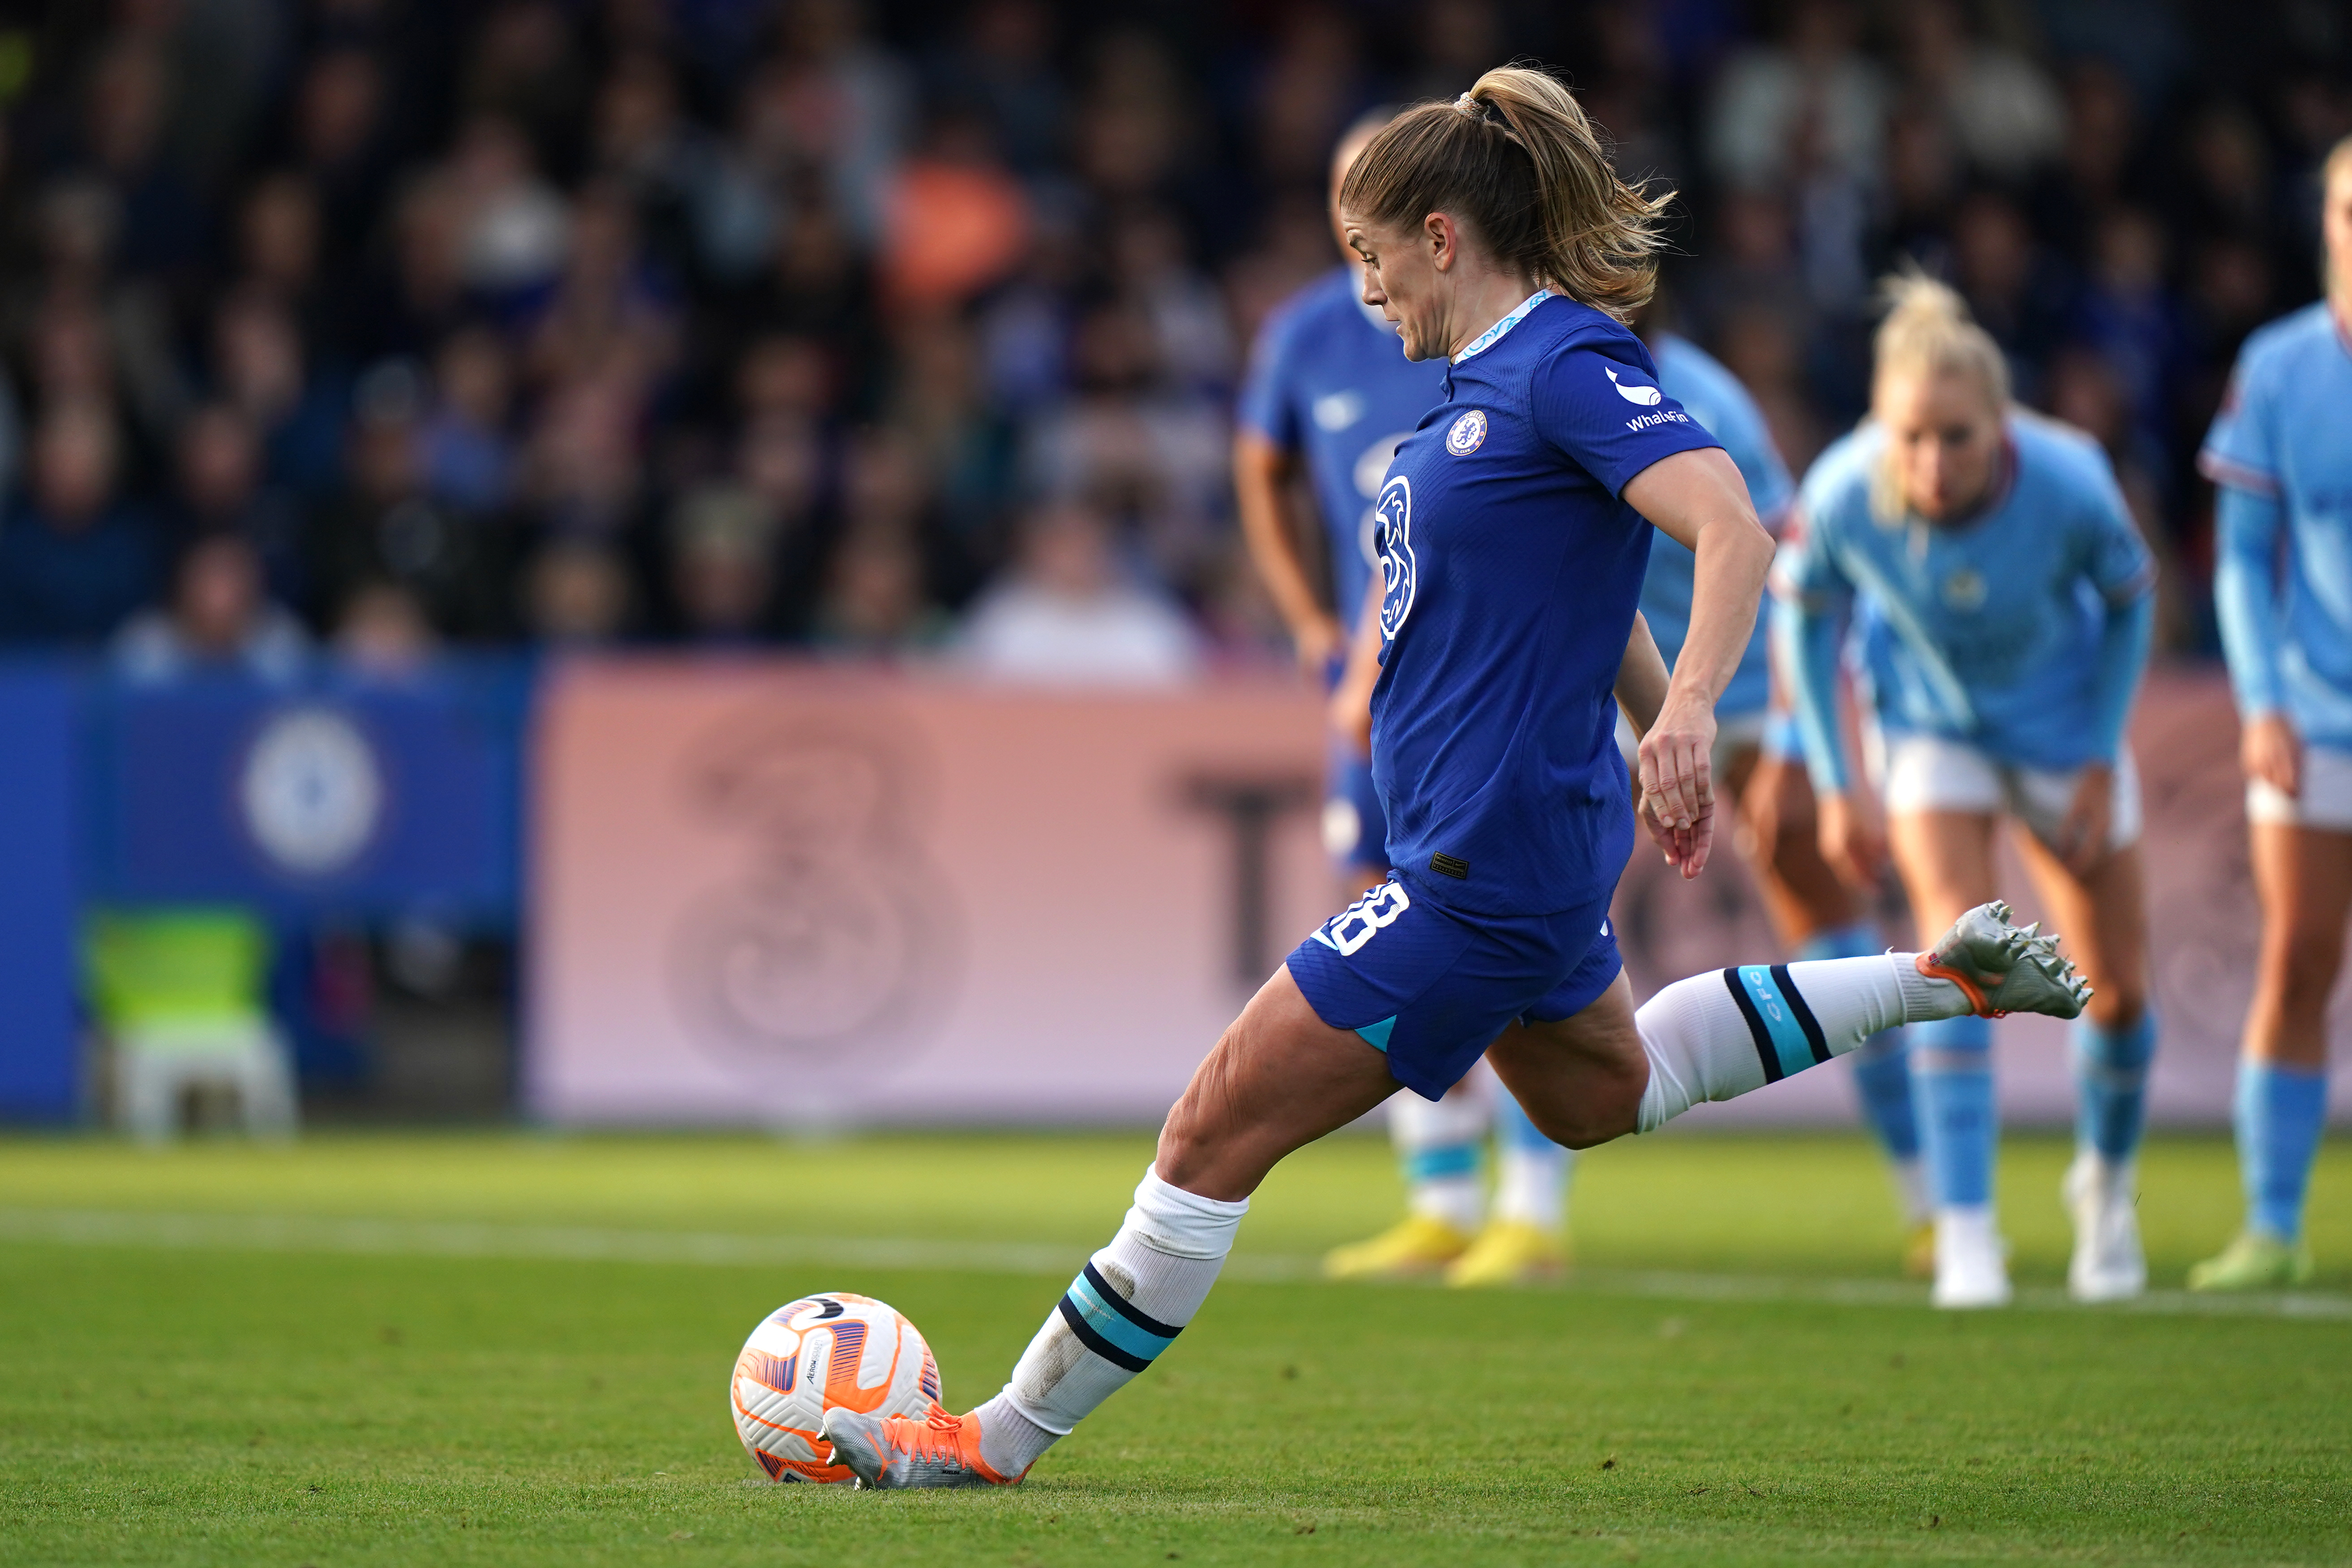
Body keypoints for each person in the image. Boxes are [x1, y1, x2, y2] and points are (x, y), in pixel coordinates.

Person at [819, 68, 2089, 1488]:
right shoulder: (1483, 387)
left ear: (1440, 234)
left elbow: (1729, 525)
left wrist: (1686, 722)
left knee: (1209, 1128)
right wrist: (1649, 708)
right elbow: (1590, 590)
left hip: (1481, 863)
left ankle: (988, 1442)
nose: (1364, 297)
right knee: (1603, 1092)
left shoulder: (1564, 363)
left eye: (1371, 259)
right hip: (1502, 846)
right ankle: (1945, 977)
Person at [1774, 273, 2157, 1308]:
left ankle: (2106, 1193)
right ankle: (1968, 1231)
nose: (1930, 463)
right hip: (1929, 729)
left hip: (2061, 730)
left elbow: (2130, 601)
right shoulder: (1846, 488)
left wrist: (2095, 749)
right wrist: (1837, 775)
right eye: (1911, 437)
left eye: (1956, 437)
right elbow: (1802, 616)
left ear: (2003, 426)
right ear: (1879, 427)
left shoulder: (2073, 480)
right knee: (1959, 959)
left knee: (2115, 987)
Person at [1240, 110, 1573, 1289]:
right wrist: (1315, 627)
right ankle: (1440, 1195)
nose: (1361, 256)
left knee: (1513, 927)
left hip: (1482, 683)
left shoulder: (1483, 328)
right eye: (1345, 227)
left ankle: (1531, 1205)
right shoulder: (1304, 335)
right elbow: (1261, 468)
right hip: (1372, 690)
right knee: (1373, 900)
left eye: (1375, 227)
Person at [1636, 293, 1936, 1275]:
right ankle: (1527, 1212)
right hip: (1619, 683)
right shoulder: (1549, 383)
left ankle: (1930, 1200)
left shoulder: (1702, 396)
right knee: (1543, 924)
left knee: (1825, 917)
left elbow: (1783, 556)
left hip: (1747, 688)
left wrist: (1799, 729)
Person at [2188, 135, 2352, 1292]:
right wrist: (2259, 702)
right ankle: (2270, 1221)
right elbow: (2241, 561)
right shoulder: (2281, 365)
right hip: (2312, 708)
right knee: (2295, 957)